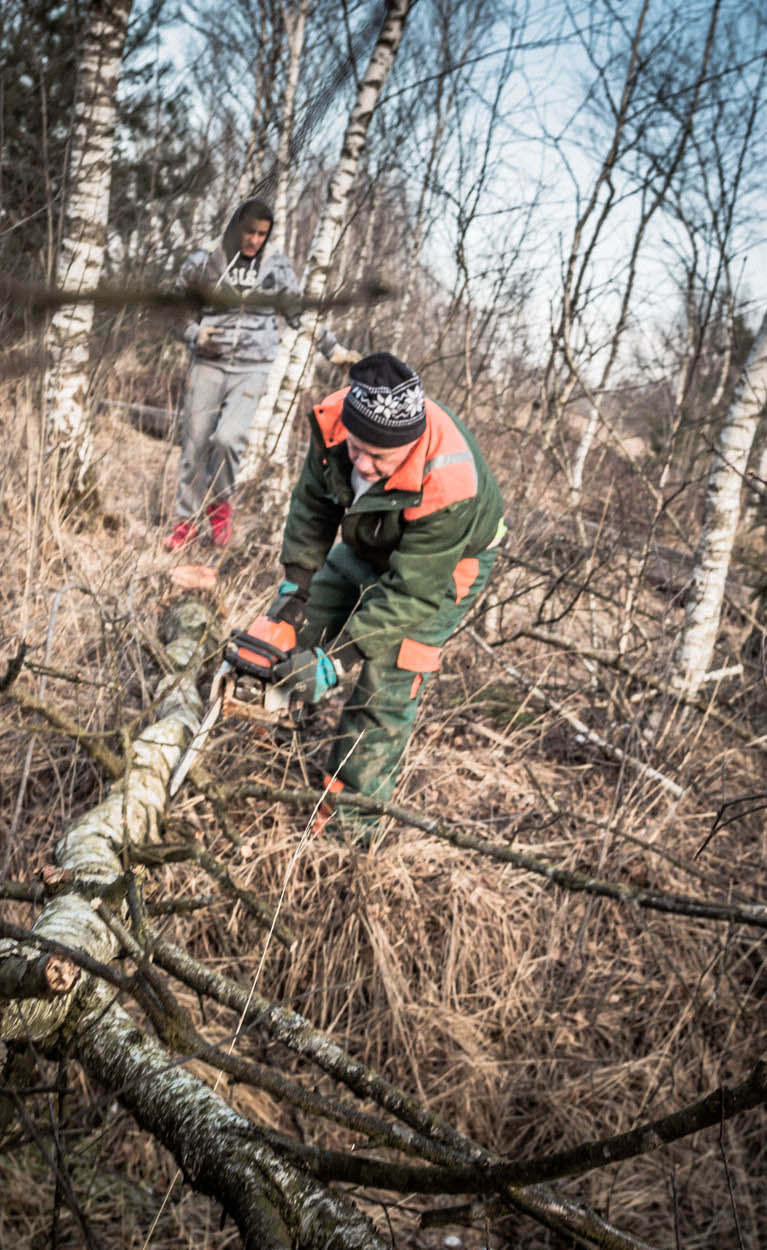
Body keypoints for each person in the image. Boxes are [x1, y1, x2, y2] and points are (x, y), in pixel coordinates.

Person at [241, 353, 506, 840]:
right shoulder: (336, 421)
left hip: (444, 567)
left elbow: (410, 593)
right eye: (356, 448)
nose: (361, 462)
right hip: (371, 534)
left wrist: (335, 661)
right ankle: (272, 737)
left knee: (387, 681)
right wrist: (294, 589)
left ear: (410, 446)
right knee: (304, 620)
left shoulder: (451, 483)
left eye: (377, 458)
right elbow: (314, 504)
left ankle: (348, 824)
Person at [166, 198, 361, 551]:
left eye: (261, 234)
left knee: (228, 438)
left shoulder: (275, 265)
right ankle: (184, 522)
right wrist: (196, 334)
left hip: (253, 367)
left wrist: (333, 351)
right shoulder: (205, 259)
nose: (254, 240)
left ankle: (220, 507)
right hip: (209, 363)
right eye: (248, 232)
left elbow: (301, 312)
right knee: (195, 442)